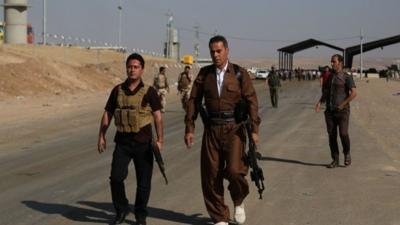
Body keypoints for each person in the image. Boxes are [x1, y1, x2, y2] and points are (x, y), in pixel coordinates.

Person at [184, 35, 261, 225]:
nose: (215, 55)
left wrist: (254, 129)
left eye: (219, 51)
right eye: (212, 51)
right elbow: (193, 101)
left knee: (235, 171)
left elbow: (252, 100)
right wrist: (190, 127)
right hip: (212, 129)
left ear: (227, 50)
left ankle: (238, 200)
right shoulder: (204, 75)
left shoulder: (239, 74)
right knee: (211, 174)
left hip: (234, 129)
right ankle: (219, 216)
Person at [97, 53, 164, 225]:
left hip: (144, 144)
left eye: (136, 67)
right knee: (116, 178)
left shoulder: (149, 92)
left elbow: (157, 117)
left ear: (142, 69)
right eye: (129, 66)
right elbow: (108, 113)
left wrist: (160, 140)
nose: (132, 69)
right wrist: (101, 136)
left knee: (143, 182)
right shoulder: (117, 91)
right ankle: (121, 209)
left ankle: (140, 215)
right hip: (123, 143)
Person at [315, 54, 357, 168]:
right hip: (330, 111)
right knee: (332, 135)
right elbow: (327, 91)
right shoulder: (329, 77)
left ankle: (347, 153)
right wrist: (320, 102)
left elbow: (354, 93)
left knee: (343, 133)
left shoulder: (347, 77)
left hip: (343, 111)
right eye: (331, 61)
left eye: (334, 61)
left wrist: (343, 105)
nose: (332, 63)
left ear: (340, 62)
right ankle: (335, 159)